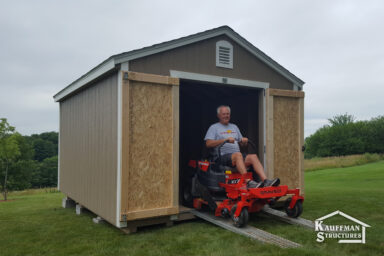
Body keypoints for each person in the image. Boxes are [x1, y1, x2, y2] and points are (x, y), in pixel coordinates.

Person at [204, 105, 279, 188]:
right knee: (238, 155)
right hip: (222, 157)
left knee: (253, 157)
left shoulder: (234, 127)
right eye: (224, 114)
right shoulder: (214, 128)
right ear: (218, 115)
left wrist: (244, 141)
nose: (226, 116)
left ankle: (266, 181)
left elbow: (241, 144)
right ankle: (248, 182)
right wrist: (225, 140)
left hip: (236, 156)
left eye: (228, 114)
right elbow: (208, 143)